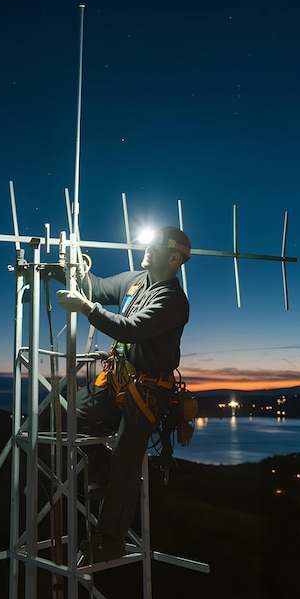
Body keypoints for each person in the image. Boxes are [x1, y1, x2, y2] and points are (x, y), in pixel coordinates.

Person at [56, 225, 191, 563]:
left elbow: (130, 329)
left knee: (126, 464)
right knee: (68, 416)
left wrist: (86, 309)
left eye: (155, 245)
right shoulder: (135, 281)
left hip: (146, 391)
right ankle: (98, 467)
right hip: (119, 377)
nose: (146, 248)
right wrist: (68, 270)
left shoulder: (172, 300)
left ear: (174, 258)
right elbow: (97, 287)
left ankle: (109, 541)